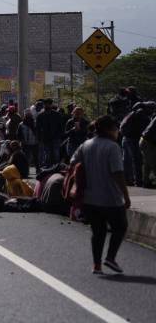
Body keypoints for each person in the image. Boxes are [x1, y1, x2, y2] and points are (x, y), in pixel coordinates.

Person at [70, 115, 131, 275]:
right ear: (109, 129)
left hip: (90, 198)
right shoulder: (113, 147)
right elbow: (117, 173)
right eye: (116, 128)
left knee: (98, 232)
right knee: (120, 227)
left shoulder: (86, 145)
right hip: (111, 198)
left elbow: (73, 161)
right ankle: (110, 257)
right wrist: (126, 195)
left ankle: (96, 265)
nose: (117, 131)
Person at [120, 106, 151, 187]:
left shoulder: (131, 114)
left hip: (125, 138)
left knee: (126, 160)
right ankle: (138, 181)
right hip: (133, 139)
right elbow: (145, 129)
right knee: (137, 160)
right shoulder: (142, 115)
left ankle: (127, 180)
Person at [36, 99, 63, 168]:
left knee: (56, 153)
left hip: (55, 137)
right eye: (46, 104)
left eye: (49, 104)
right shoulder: (40, 115)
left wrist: (60, 136)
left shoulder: (56, 114)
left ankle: (56, 166)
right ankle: (48, 167)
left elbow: (61, 126)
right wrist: (39, 137)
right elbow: (38, 128)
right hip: (45, 137)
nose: (47, 105)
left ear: (51, 104)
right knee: (47, 153)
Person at [141, 115, 156, 188]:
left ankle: (146, 182)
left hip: (143, 140)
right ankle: (146, 182)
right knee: (153, 162)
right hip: (148, 142)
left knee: (147, 164)